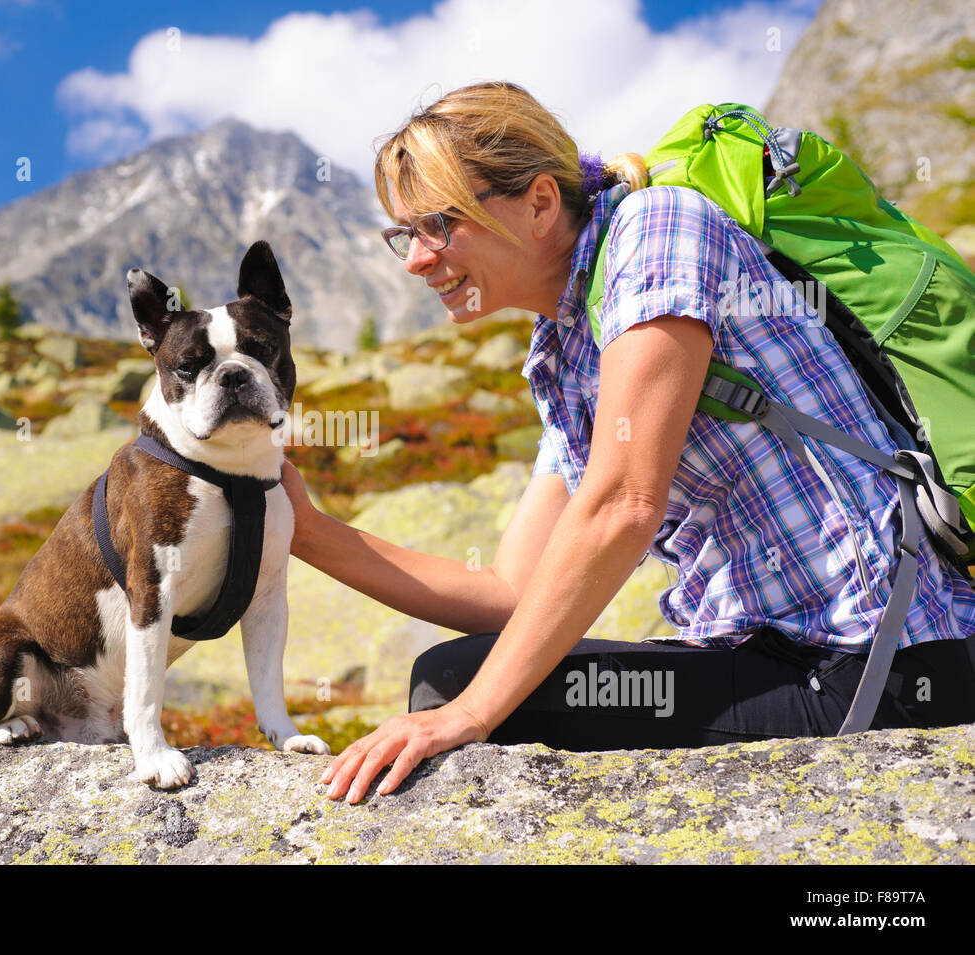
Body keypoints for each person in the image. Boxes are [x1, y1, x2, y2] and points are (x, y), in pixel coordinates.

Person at [278, 80, 975, 805]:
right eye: (404, 234)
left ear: (541, 203)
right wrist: (306, 530)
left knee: (457, 692)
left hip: (883, 663)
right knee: (453, 679)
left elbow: (623, 504)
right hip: (772, 651)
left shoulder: (658, 230)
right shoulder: (567, 344)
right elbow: (510, 591)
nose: (417, 260)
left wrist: (468, 714)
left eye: (438, 226)